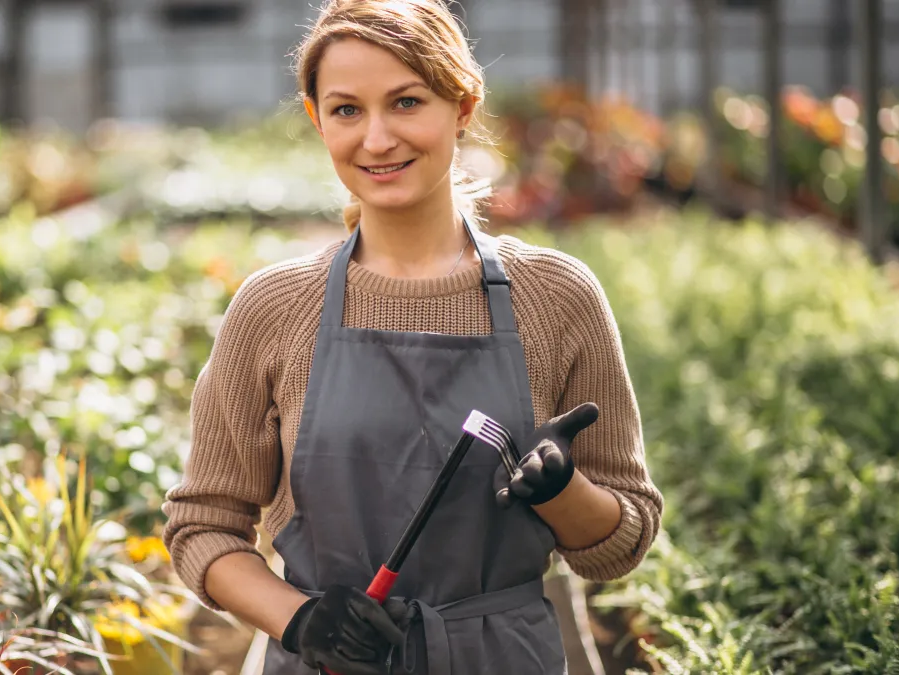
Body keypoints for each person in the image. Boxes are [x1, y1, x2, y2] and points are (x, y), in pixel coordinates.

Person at [162, 1, 663, 673]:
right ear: (316, 119)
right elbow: (203, 524)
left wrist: (562, 490)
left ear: (461, 106)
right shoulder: (274, 307)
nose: (376, 139)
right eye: (346, 110)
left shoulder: (556, 297)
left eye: (405, 102)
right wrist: (302, 617)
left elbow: (619, 543)